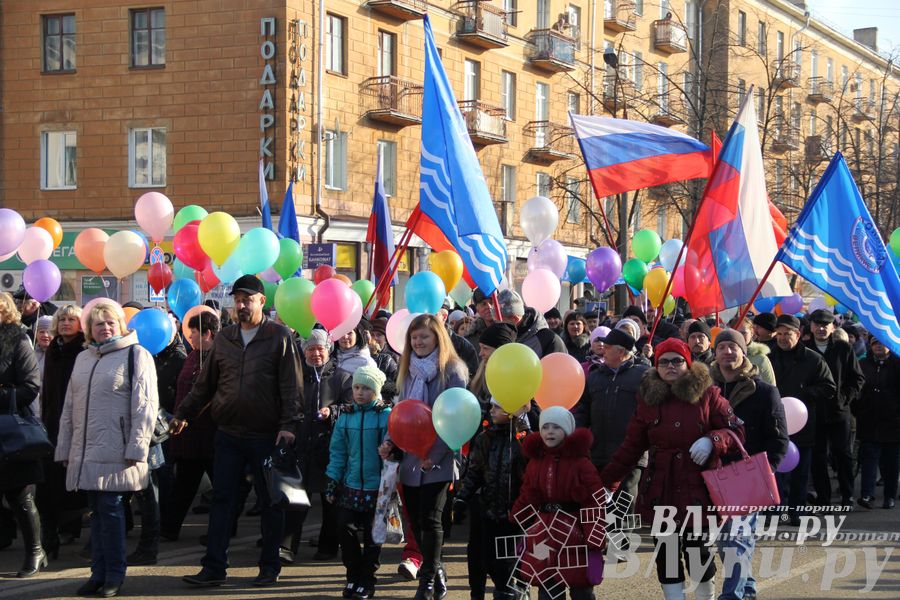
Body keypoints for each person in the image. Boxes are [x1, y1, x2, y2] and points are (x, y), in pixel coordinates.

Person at [171, 275, 302, 588]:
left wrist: (288, 426)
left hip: (266, 435)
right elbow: (205, 386)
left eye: (248, 299)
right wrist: (183, 414)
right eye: (238, 300)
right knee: (222, 501)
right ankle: (214, 567)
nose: (241, 305)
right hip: (228, 433)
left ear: (261, 301)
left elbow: (291, 387)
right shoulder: (225, 339)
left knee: (271, 502)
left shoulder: (279, 337)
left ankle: (269, 566)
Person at [601, 338, 744, 600]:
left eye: (677, 360)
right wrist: (608, 483)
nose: (671, 366)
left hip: (698, 490)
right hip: (661, 488)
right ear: (656, 366)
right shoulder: (647, 399)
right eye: (664, 361)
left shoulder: (709, 395)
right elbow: (631, 446)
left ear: (688, 363)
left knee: (697, 550)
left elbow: (736, 431)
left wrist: (712, 441)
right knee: (666, 554)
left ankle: (705, 597)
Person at [55, 300, 159, 597]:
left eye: (111, 322)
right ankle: (98, 573)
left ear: (121, 324)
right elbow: (69, 407)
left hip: (118, 450)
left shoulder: (136, 355)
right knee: (97, 515)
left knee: (111, 513)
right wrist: (65, 448)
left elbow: (146, 406)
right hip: (86, 451)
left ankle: (114, 574)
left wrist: (136, 447)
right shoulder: (84, 358)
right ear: (90, 330)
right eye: (99, 324)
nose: (105, 328)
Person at [378, 314, 468, 600]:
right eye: (414, 338)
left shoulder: (452, 370)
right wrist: (389, 442)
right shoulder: (408, 371)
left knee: (431, 519)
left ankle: (427, 579)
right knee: (415, 521)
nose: (418, 342)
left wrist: (437, 454)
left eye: (424, 337)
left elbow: (457, 417)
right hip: (410, 459)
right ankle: (437, 568)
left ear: (437, 338)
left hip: (439, 458)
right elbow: (400, 413)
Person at [709, 329, 788, 600]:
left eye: (733, 346)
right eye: (722, 347)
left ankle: (733, 596)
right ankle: (748, 587)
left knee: (736, 539)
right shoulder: (707, 390)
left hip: (748, 475)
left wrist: (767, 471)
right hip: (714, 475)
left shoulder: (764, 391)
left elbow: (779, 437)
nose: (727, 352)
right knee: (725, 542)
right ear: (715, 353)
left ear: (744, 351)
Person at [511, 407, 606, 600]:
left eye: (556, 427)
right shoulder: (536, 461)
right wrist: (515, 517)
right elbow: (527, 493)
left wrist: (594, 537)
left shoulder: (581, 463)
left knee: (581, 588)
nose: (550, 432)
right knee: (547, 587)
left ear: (567, 430)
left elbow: (594, 501)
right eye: (545, 427)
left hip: (574, 533)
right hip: (543, 531)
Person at [286, 328, 352, 562]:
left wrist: (332, 411)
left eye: (320, 349)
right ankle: (286, 548)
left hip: (330, 449)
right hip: (301, 448)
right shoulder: (295, 376)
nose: (316, 354)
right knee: (295, 500)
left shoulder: (341, 377)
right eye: (311, 349)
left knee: (330, 502)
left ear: (328, 350)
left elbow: (351, 407)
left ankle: (328, 547)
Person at [325, 365, 391, 600]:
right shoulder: (346, 416)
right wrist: (333, 480)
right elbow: (338, 452)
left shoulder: (385, 415)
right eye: (357, 388)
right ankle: (352, 576)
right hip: (351, 485)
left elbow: (392, 449)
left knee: (374, 537)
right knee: (345, 529)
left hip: (377, 487)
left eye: (366, 388)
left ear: (376, 391)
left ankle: (367, 581)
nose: (360, 392)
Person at [453, 397, 527, 600]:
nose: (492, 410)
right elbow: (475, 473)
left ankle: (512, 592)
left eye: (498, 407)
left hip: (514, 516)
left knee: (509, 563)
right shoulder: (485, 438)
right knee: (487, 559)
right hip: (489, 511)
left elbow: (528, 478)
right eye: (492, 406)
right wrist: (462, 497)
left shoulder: (524, 440)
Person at [128, 320, 187, 566]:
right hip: (136, 427)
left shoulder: (176, 358)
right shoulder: (132, 354)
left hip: (156, 428)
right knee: (145, 486)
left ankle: (151, 541)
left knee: (153, 485)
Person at [768, 315, 836, 525]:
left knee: (800, 472)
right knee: (774, 472)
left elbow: (829, 387)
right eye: (778, 334)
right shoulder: (768, 357)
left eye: (787, 334)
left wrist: (805, 393)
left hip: (802, 424)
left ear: (798, 335)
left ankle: (797, 511)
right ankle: (776, 511)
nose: (782, 338)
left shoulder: (813, 359)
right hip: (774, 424)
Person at [575, 329, 649, 517]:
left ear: (622, 352)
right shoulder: (594, 377)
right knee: (598, 508)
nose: (603, 351)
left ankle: (621, 545)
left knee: (622, 509)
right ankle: (600, 545)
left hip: (631, 456)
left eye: (608, 348)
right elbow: (583, 410)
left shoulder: (643, 376)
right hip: (598, 453)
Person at [161, 311, 220, 541]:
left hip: (210, 435)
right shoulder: (192, 356)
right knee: (183, 486)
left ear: (207, 333)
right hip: (187, 436)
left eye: (193, 333)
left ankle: (221, 530)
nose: (190, 337)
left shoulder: (219, 358)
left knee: (222, 489)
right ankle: (169, 529)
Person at [0, 292, 45, 578]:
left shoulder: (18, 339)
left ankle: (35, 551)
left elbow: (30, 387)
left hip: (10, 430)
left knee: (20, 495)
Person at [36, 304, 87, 557]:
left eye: (72, 319)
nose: (66, 323)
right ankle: (49, 537)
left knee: (76, 481)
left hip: (79, 421)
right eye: (63, 319)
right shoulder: (53, 350)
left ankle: (72, 528)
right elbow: (47, 389)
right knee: (50, 481)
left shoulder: (84, 350)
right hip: (52, 421)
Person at [805, 309, 864, 508]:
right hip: (813, 413)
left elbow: (857, 378)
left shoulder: (843, 348)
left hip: (839, 412)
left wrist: (844, 398)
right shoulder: (805, 349)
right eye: (817, 324)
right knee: (818, 457)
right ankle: (824, 498)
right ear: (811, 326)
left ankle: (848, 495)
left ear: (833, 327)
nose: (821, 328)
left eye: (825, 324)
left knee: (843, 454)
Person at [854, 335, 900, 509]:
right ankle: (867, 495)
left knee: (891, 462)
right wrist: (858, 409)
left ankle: (889, 496)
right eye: (874, 343)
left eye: (881, 342)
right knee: (869, 460)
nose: (878, 346)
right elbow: (857, 390)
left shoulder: (897, 364)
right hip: (869, 420)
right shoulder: (863, 364)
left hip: (893, 422)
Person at [497, 290, 565, 359]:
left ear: (515, 319)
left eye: (500, 320)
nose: (496, 324)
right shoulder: (501, 336)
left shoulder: (549, 340)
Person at [729, 317, 776, 385]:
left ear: (752, 332)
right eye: (736, 333)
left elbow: (771, 387)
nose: (740, 336)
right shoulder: (725, 356)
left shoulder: (761, 359)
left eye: (743, 333)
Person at [369, 318, 399, 401]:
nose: (375, 338)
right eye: (372, 335)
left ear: (385, 339)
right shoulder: (364, 355)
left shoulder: (393, 357)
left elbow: (396, 385)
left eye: (379, 335)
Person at [32, 315, 53, 416]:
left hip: (50, 407)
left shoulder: (58, 355)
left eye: (49, 332)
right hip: (33, 408)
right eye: (41, 331)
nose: (45, 335)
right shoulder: (30, 354)